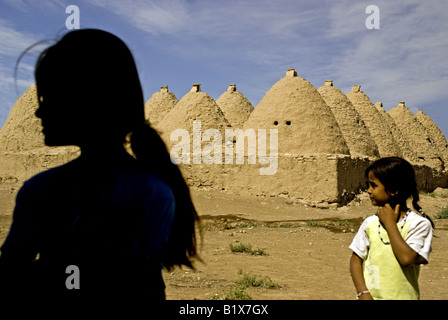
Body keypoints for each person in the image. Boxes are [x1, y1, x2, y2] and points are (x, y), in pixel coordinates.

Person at [0, 29, 200, 299]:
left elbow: (124, 278)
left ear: (89, 101)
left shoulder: (44, 190)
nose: (38, 110)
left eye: (50, 98)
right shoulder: (151, 192)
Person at [349, 157, 434, 300]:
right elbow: (356, 259)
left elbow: (406, 259)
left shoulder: (418, 224)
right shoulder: (370, 223)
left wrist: (390, 224)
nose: (368, 191)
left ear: (394, 189)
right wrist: (362, 292)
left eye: (373, 186)